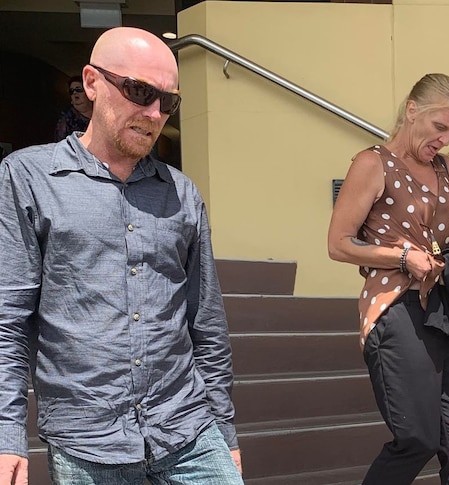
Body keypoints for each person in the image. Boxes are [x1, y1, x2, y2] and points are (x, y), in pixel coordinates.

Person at [0, 27, 243, 485]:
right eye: (138, 91)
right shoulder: (28, 178)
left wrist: (225, 430)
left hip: (188, 429)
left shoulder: (182, 193)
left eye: (167, 102)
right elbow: (8, 320)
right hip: (88, 441)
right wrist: (7, 433)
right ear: (92, 82)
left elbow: (206, 323)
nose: (154, 113)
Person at [327, 73, 449, 485]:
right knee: (418, 438)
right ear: (412, 111)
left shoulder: (446, 169)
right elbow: (338, 244)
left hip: (444, 313)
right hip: (396, 310)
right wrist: (402, 255)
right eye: (439, 127)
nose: (444, 140)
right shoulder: (372, 163)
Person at [54, 74, 93, 141]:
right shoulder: (66, 118)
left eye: (79, 89)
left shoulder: (100, 114)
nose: (75, 93)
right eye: (71, 91)